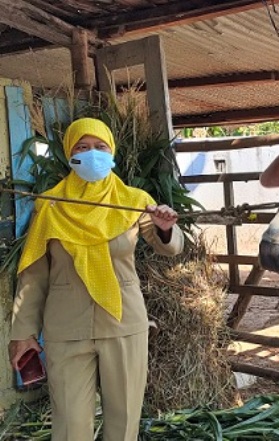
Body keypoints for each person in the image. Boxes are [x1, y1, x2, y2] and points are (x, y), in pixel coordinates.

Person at [7, 117, 184, 441]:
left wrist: (165, 228)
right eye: (82, 147)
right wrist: (22, 333)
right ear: (69, 153)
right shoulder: (50, 205)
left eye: (100, 147)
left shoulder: (133, 200)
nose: (92, 154)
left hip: (123, 323)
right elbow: (34, 274)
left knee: (124, 421)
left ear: (111, 152)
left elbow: (169, 247)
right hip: (66, 327)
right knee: (70, 426)